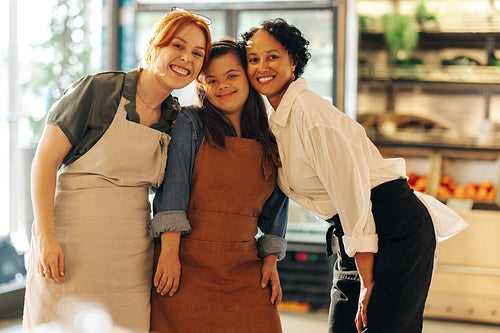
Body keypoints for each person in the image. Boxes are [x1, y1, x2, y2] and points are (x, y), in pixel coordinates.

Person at [242, 18, 468, 333]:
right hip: (355, 233)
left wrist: (367, 280)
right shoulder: (276, 119)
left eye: (273, 56)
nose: (262, 66)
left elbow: (352, 195)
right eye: (253, 59)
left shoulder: (311, 115)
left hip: (392, 226)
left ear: (293, 61)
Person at [22, 8, 211, 332]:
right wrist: (47, 236)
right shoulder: (97, 91)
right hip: (69, 250)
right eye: (178, 46)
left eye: (197, 53)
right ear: (155, 45)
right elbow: (44, 162)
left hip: (130, 259)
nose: (187, 59)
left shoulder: (175, 118)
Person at [149, 38, 289, 332]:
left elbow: (278, 202)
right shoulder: (191, 122)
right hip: (186, 267)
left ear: (248, 78)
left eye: (231, 75)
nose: (222, 85)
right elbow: (173, 188)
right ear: (202, 86)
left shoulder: (268, 133)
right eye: (211, 80)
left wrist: (271, 259)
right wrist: (169, 254)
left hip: (245, 266)